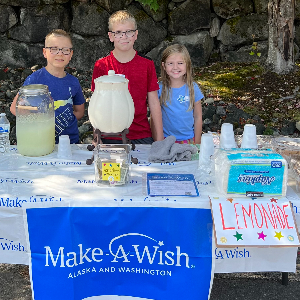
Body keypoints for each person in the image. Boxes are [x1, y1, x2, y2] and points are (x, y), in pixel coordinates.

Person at [91, 10, 163, 144]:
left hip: (141, 135)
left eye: (129, 32)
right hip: (109, 136)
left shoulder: (147, 64)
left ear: (135, 34)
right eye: (118, 32)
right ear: (110, 36)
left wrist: (160, 141)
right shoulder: (101, 65)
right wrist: (97, 137)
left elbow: (154, 103)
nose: (124, 36)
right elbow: (96, 105)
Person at [10, 29, 85, 144]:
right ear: (45, 52)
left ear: (71, 54)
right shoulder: (34, 79)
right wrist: (40, 121)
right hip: (40, 141)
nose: (60, 53)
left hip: (70, 142)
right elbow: (15, 108)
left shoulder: (74, 82)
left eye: (65, 50)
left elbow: (79, 111)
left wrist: (65, 119)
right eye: (54, 49)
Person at [158, 44, 203, 144]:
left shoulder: (193, 87)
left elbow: (198, 116)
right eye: (170, 63)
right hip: (166, 140)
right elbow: (154, 116)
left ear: (187, 64)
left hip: (189, 139)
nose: (175, 67)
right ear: (164, 66)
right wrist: (158, 140)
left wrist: (198, 142)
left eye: (180, 63)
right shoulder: (159, 88)